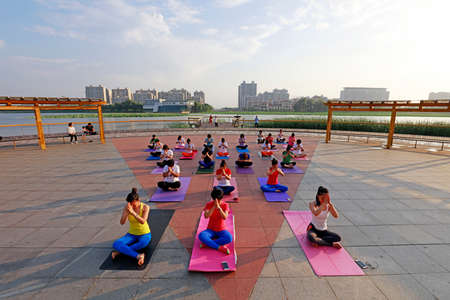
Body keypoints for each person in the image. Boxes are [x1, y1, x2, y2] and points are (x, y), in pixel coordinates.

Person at [112, 188, 151, 266]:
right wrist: (126, 213)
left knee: (143, 243)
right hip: (131, 234)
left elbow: (143, 221)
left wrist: (133, 213)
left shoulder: (145, 207)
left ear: (138, 200)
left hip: (144, 233)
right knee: (116, 244)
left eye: (134, 204)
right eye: (131, 204)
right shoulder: (128, 207)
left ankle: (120, 252)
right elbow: (122, 223)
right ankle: (138, 256)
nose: (132, 206)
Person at [199, 188, 232, 255]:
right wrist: (214, 206)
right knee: (201, 236)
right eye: (215, 200)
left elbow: (225, 217)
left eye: (219, 200)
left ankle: (207, 244)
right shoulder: (208, 204)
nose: (217, 201)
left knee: (229, 238)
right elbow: (206, 216)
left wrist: (219, 208)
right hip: (210, 230)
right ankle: (219, 248)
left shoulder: (225, 205)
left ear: (221, 198)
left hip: (221, 230)